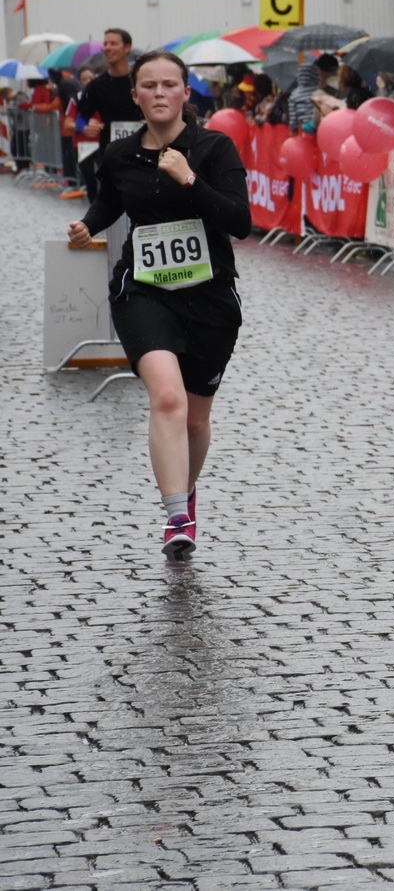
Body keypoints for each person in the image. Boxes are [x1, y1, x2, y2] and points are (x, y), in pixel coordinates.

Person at [67, 50, 251, 558]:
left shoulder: (213, 147)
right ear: (136, 96)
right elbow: (110, 201)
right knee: (167, 398)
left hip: (210, 298)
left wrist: (189, 178)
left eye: (170, 84)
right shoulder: (119, 154)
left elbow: (240, 222)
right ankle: (176, 518)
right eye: (149, 85)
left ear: (186, 93)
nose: (160, 93)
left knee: (194, 419)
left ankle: (186, 493)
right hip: (143, 291)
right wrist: (88, 225)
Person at [73, 28, 145, 196]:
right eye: (105, 44)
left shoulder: (141, 80)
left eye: (113, 43)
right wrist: (85, 128)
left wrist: (150, 121)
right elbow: (81, 116)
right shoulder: (96, 85)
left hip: (143, 151)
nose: (107, 47)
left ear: (127, 47)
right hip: (111, 153)